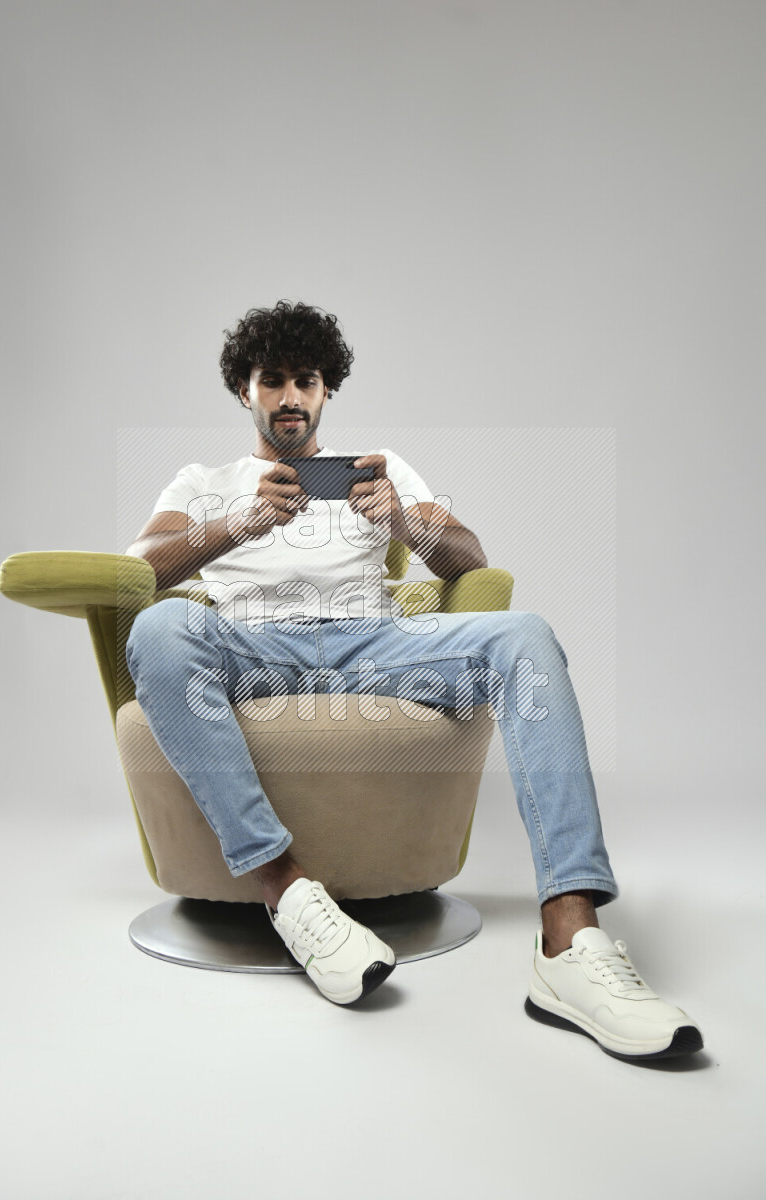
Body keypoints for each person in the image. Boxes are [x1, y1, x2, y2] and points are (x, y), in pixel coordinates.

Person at [125, 299, 704, 1061]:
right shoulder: (206, 480)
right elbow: (141, 569)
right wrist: (235, 524)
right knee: (158, 629)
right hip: (255, 650)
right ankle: (288, 893)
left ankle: (571, 942)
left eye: (307, 380)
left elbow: (471, 561)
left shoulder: (381, 469)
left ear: (328, 389)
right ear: (245, 390)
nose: (290, 397)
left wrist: (405, 522)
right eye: (274, 381)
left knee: (524, 634)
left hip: (375, 643)